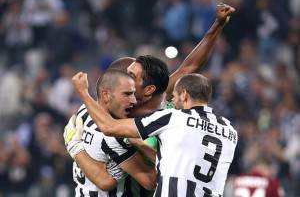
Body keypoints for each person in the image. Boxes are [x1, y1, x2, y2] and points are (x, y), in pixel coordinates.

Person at [65, 3, 235, 196]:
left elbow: (189, 67)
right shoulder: (107, 118)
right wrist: (75, 146)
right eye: (126, 77)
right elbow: (106, 179)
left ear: (148, 90)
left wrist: (218, 25)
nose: (128, 82)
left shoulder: (161, 102)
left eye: (133, 77)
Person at [71, 72, 238, 197]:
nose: (172, 103)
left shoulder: (173, 118)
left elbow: (108, 127)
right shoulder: (230, 131)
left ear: (185, 95)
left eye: (175, 97)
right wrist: (139, 144)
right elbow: (178, 159)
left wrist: (83, 93)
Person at [64, 69, 156, 196]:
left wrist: (73, 146)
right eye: (127, 94)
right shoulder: (116, 136)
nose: (134, 100)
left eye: (133, 94)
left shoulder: (84, 110)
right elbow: (150, 181)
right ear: (106, 95)